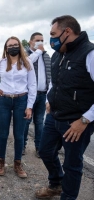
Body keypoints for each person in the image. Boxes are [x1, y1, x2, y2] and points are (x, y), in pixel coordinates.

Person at [36, 15, 94, 200]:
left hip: (77, 122)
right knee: (45, 151)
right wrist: (49, 99)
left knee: (72, 164)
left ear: (67, 32)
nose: (50, 39)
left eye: (53, 34)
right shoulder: (58, 54)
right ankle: (56, 183)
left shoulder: (89, 53)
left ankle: (67, 197)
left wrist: (85, 120)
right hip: (54, 115)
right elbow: (55, 81)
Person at [0, 36, 37, 178]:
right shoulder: (1, 63)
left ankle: (17, 164)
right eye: (9, 45)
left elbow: (32, 85)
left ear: (19, 46)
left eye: (15, 44)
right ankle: (1, 163)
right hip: (3, 101)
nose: (12, 47)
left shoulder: (27, 63)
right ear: (6, 48)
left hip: (22, 100)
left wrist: (30, 106)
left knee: (19, 135)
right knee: (3, 134)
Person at [23, 32, 51, 157]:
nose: (40, 42)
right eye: (37, 40)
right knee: (26, 121)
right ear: (30, 42)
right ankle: (22, 146)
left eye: (42, 40)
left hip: (43, 94)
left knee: (40, 122)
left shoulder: (46, 56)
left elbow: (50, 76)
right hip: (29, 95)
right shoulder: (25, 55)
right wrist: (38, 52)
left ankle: (39, 147)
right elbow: (26, 65)